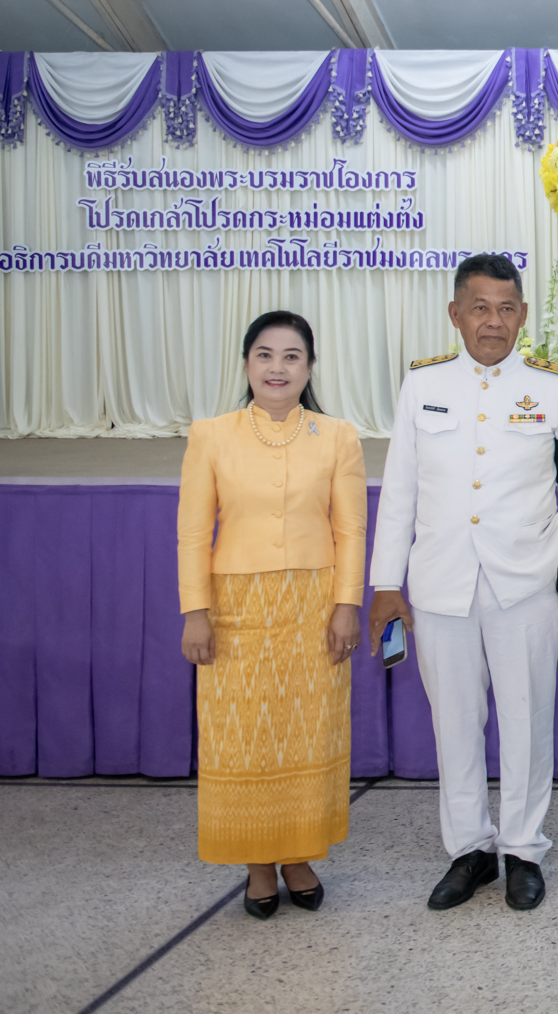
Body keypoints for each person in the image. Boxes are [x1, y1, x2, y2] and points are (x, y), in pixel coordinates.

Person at [367, 254, 558, 913]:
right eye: (480, 307)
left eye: (506, 308)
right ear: (455, 314)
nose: (493, 321)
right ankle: (469, 847)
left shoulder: (554, 388)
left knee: (528, 721)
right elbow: (402, 490)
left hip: (523, 581)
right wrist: (386, 582)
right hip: (441, 584)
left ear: (523, 314)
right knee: (456, 723)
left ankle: (524, 847)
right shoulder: (423, 385)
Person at [178, 310, 366, 919]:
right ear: (245, 364)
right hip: (235, 607)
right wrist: (195, 612)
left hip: (314, 606)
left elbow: (351, 529)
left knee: (307, 733)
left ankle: (297, 857)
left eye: (291, 356)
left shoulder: (337, 436)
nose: (277, 368)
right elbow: (191, 534)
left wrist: (347, 605)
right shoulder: (212, 434)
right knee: (244, 738)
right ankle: (257, 864)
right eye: (265, 355)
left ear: (310, 367)